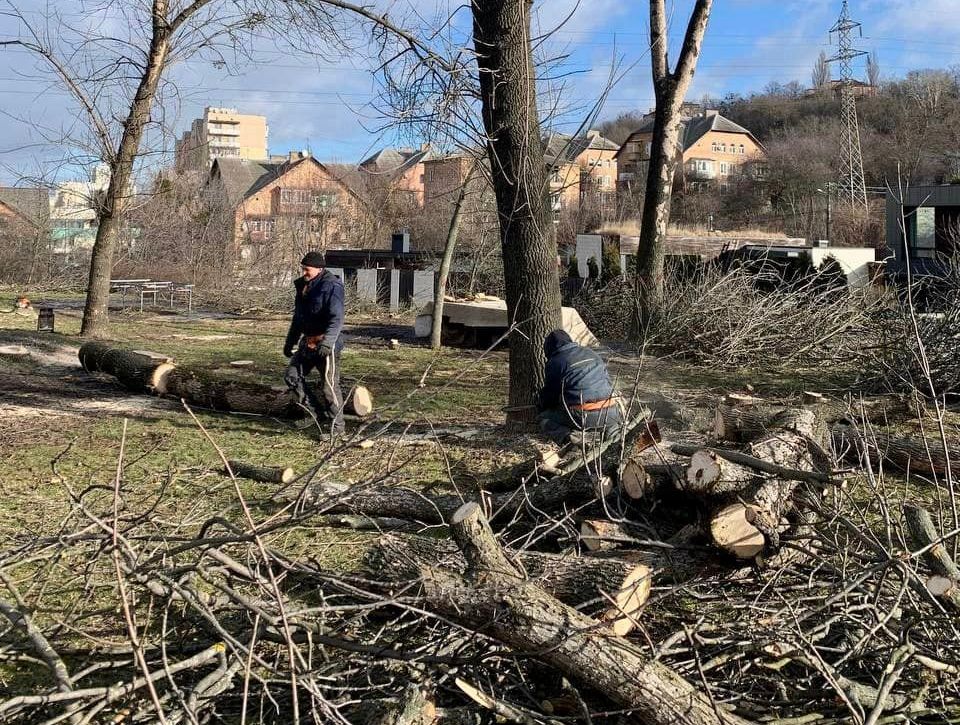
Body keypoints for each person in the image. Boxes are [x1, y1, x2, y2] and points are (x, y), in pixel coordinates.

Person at [283, 251, 345, 436]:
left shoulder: (332, 286)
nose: (304, 273)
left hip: (327, 343)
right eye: (302, 269)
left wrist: (327, 343)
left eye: (307, 270)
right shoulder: (303, 286)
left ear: (319, 269)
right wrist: (290, 341)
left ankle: (338, 429)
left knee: (329, 386)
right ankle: (314, 413)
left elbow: (337, 318)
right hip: (307, 342)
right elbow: (298, 318)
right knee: (292, 375)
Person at [536, 329, 621, 445]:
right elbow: (607, 382)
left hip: (584, 417)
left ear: (549, 349)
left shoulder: (555, 362)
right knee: (610, 427)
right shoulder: (591, 353)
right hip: (611, 412)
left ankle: (571, 440)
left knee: (544, 418)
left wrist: (540, 403)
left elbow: (550, 396)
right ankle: (614, 442)